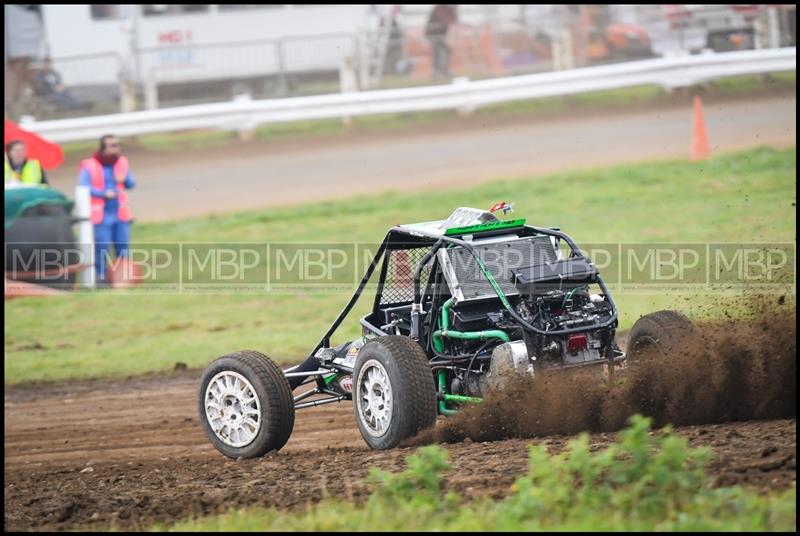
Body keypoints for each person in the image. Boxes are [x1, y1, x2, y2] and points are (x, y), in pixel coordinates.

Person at [77, 135, 136, 282]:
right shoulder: (89, 165)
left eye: (117, 144)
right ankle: (101, 277)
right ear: (103, 148)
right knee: (102, 248)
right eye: (112, 145)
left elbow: (131, 183)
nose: (116, 148)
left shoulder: (122, 162)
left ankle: (123, 277)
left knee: (123, 247)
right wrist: (103, 193)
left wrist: (125, 179)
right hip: (101, 215)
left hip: (120, 213)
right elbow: (83, 187)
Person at [425, 4, 458, 80]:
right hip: (432, 34)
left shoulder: (449, 9)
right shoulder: (440, 8)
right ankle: (437, 71)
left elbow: (453, 20)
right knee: (439, 50)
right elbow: (447, 19)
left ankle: (441, 70)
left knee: (444, 50)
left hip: (440, 35)